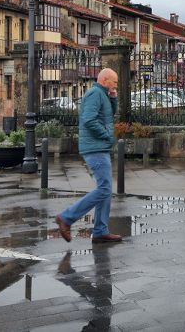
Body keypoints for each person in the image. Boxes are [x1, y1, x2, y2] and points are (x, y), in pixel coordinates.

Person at [55, 68, 122, 244]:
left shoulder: (103, 94)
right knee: (104, 189)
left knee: (105, 189)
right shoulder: (94, 94)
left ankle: (100, 230)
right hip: (95, 147)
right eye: (114, 82)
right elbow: (89, 119)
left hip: (100, 147)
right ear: (105, 80)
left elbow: (109, 115)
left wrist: (113, 97)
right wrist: (106, 135)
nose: (116, 84)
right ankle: (66, 218)